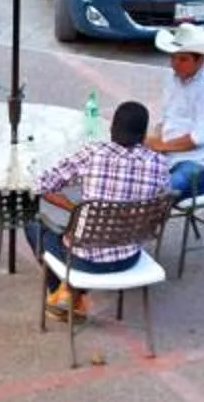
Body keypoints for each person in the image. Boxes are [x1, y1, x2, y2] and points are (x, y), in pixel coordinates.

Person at [29, 100, 170, 321]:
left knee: (33, 225)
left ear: (111, 130)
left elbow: (41, 184)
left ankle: (66, 295)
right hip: (130, 257)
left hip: (84, 261)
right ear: (144, 136)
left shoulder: (92, 154)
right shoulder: (159, 165)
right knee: (78, 226)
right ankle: (71, 294)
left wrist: (72, 206)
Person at [147, 23, 204, 199]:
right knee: (130, 173)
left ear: (201, 60)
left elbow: (198, 138)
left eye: (183, 59)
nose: (175, 64)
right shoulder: (173, 79)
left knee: (164, 190)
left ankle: (145, 222)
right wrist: (155, 141)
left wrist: (161, 145)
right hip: (174, 154)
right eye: (173, 58)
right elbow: (166, 117)